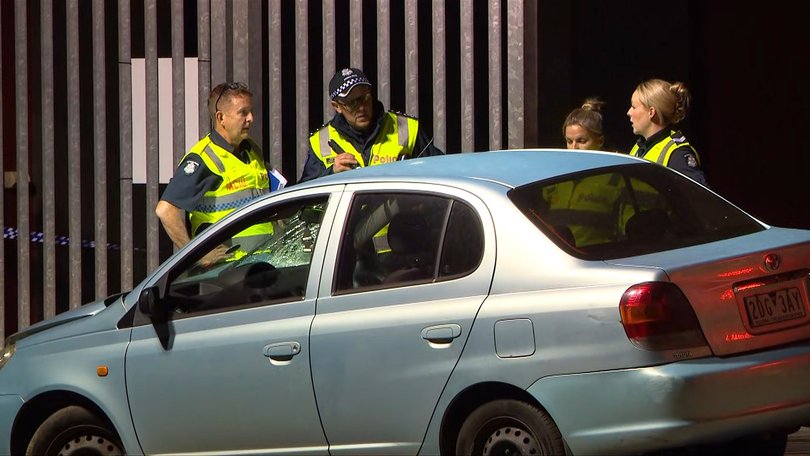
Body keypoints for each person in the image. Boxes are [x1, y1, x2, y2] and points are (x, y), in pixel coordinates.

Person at [156, 82, 281, 262]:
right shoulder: (204, 159)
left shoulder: (251, 149)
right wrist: (198, 256)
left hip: (264, 262)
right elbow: (165, 211)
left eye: (250, 111)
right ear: (221, 117)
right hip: (229, 272)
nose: (251, 118)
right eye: (243, 112)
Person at [299, 67, 443, 182]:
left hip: (401, 217)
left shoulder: (405, 127)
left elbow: (441, 171)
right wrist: (331, 173)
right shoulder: (322, 140)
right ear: (337, 106)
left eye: (364, 98)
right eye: (352, 103)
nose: (361, 107)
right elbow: (304, 195)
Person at [626, 78, 707, 185]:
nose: (629, 112)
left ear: (651, 112)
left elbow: (701, 197)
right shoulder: (639, 147)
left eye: (633, 107)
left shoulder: (677, 154)